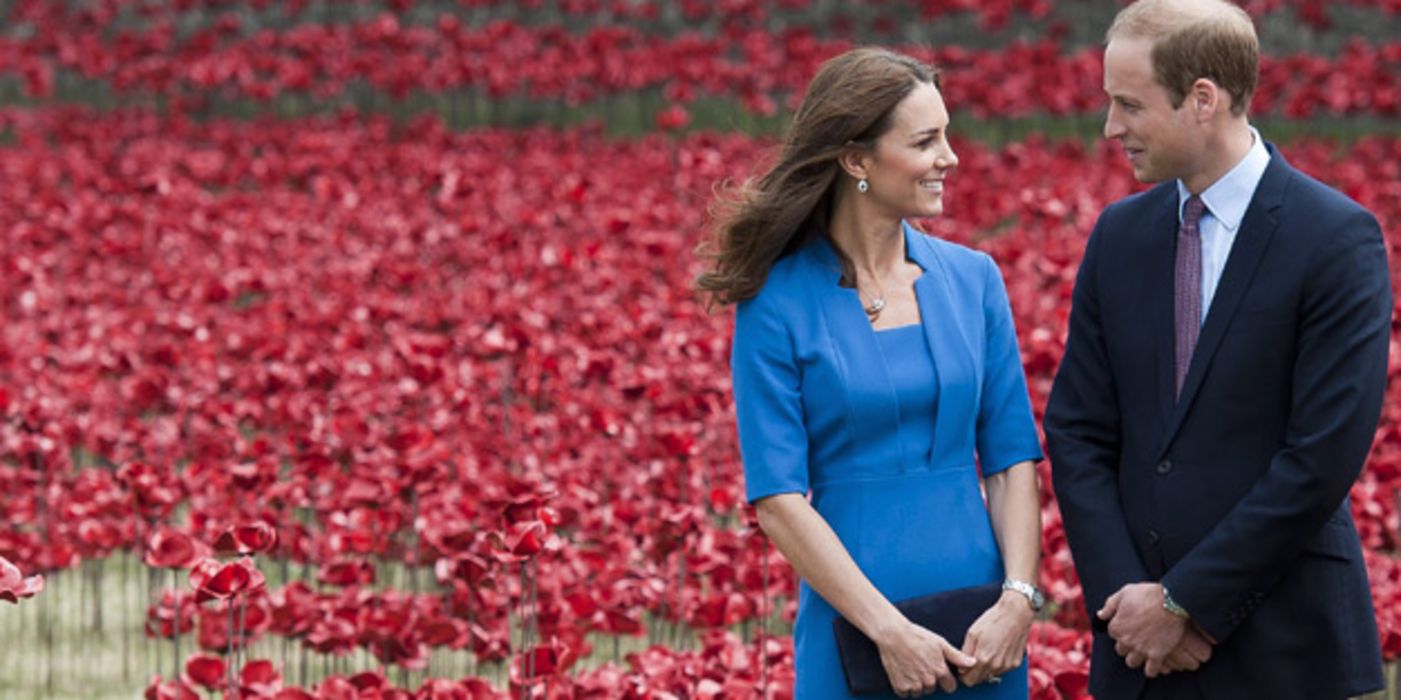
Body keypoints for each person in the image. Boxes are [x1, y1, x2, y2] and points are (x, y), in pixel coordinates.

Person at [1043, 1, 1390, 698]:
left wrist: (1186, 603)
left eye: (1128, 105)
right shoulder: (1119, 235)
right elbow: (1076, 430)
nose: (1110, 128)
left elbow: (1320, 456)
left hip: (1281, 643)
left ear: (1202, 99)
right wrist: (1129, 603)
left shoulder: (1333, 239)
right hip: (1136, 650)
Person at [697, 47, 1045, 699]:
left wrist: (1018, 601)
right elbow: (776, 499)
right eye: (926, 140)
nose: (951, 157)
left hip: (984, 635)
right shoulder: (775, 302)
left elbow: (1010, 462)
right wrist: (888, 631)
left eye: (947, 134)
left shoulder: (973, 280)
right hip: (853, 634)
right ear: (856, 160)